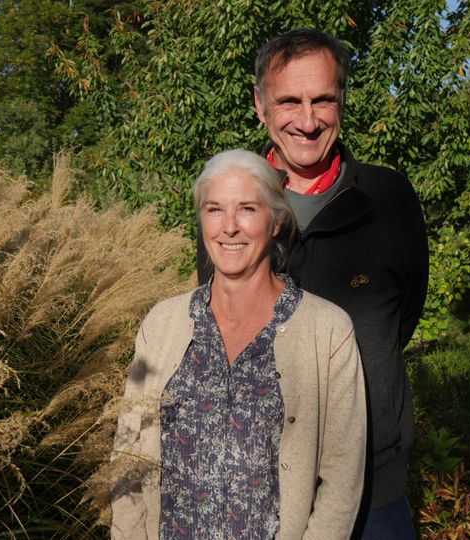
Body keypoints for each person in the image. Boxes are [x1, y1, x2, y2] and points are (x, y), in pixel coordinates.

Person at [197, 29, 429, 539]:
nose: (307, 121)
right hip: (260, 486)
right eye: (289, 101)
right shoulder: (230, 210)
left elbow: (402, 316)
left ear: (342, 101)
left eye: (323, 99)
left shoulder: (389, 200)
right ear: (260, 105)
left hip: (376, 493)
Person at [112, 149, 366, 539]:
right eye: (214, 209)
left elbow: (342, 478)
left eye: (247, 208)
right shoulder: (162, 325)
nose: (229, 227)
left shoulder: (327, 331)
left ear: (277, 221)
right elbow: (128, 457)